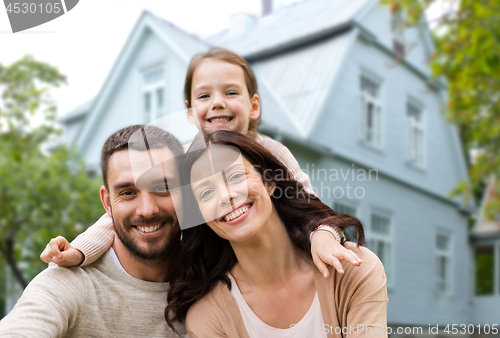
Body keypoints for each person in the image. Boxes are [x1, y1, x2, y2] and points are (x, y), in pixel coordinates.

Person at [41, 48, 362, 276]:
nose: (218, 103)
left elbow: (311, 205)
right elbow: (121, 213)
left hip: (276, 268)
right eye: (205, 96)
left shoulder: (271, 153)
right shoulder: (183, 160)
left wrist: (324, 235)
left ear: (253, 107)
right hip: (215, 272)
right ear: (191, 112)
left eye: (231, 92)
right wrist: (81, 250)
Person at [166, 130, 388, 338]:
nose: (226, 196)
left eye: (235, 177)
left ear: (269, 182)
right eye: (206, 192)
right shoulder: (209, 317)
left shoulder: (353, 270)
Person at [0, 125, 187, 337]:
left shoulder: (212, 276)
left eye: (162, 188)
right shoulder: (70, 283)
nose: (147, 210)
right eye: (128, 192)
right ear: (107, 202)